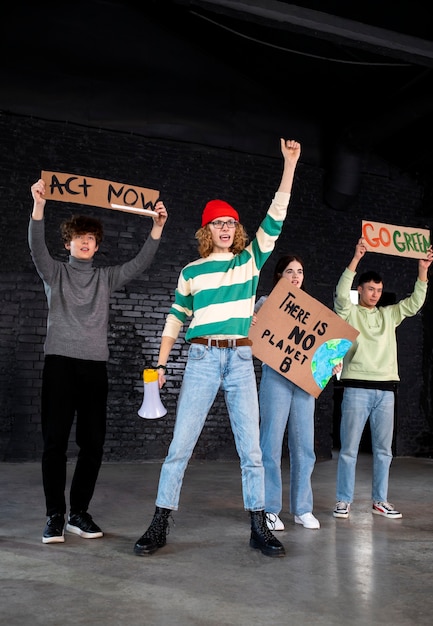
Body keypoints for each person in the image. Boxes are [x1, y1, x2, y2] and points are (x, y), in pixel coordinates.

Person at [133, 137, 301, 559]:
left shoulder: (250, 260)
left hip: (241, 359)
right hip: (203, 358)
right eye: (217, 224)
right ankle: (160, 524)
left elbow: (276, 215)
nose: (225, 228)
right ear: (206, 231)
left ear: (237, 230)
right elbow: (174, 320)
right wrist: (160, 363)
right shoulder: (191, 271)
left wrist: (290, 164)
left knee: (252, 450)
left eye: (230, 223)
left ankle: (258, 526)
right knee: (180, 446)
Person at [29, 178, 168, 544]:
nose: (85, 241)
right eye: (79, 237)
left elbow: (139, 264)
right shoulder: (54, 272)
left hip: (94, 369)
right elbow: (35, 247)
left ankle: (78, 513)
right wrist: (39, 206)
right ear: (69, 242)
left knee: (92, 445)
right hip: (59, 364)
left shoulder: (105, 278)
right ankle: (54, 516)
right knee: (54, 444)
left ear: (96, 245)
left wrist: (156, 228)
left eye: (91, 237)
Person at [333, 237, 433, 520]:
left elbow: (414, 304)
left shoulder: (390, 315)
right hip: (356, 388)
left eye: (378, 290)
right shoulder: (349, 313)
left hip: (386, 390)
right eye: (370, 289)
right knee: (349, 449)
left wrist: (423, 271)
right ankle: (343, 500)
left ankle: (380, 500)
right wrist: (356, 259)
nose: (375, 294)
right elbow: (341, 294)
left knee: (384, 451)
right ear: (361, 290)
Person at [254, 255, 341, 532]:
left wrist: (332, 361)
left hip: (303, 382)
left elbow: (322, 347)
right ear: (279, 275)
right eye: (289, 271)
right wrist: (251, 323)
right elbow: (252, 337)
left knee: (304, 447)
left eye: (300, 272)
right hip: (276, 379)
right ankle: (270, 509)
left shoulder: (312, 311)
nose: (295, 276)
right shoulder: (265, 303)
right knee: (270, 444)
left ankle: (303, 508)